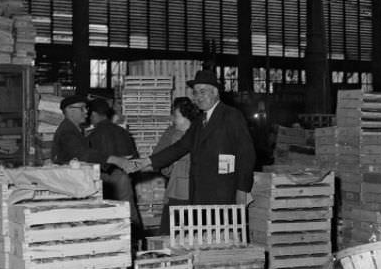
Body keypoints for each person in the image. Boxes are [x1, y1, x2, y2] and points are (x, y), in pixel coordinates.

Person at [109, 69, 256, 205]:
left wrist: (242, 190)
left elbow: (247, 155)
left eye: (202, 92)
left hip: (224, 192)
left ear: (215, 92)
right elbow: (180, 147)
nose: (198, 97)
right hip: (199, 192)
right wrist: (146, 161)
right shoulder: (199, 121)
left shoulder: (231, 116)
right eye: (195, 92)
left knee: (223, 232)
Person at [86, 97, 143, 239]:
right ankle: (138, 243)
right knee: (129, 213)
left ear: (93, 114)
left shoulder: (93, 135)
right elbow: (135, 159)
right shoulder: (123, 132)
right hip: (125, 178)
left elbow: (89, 162)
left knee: (108, 219)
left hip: (105, 180)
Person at [152, 97, 200, 235]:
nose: (173, 120)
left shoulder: (201, 134)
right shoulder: (172, 133)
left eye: (176, 116)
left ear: (187, 118)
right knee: (171, 232)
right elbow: (158, 158)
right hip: (177, 190)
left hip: (196, 193)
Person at [50, 94, 102, 165]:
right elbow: (82, 155)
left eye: (86, 108)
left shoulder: (75, 128)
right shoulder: (67, 131)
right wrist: (112, 159)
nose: (86, 111)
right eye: (82, 108)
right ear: (71, 111)